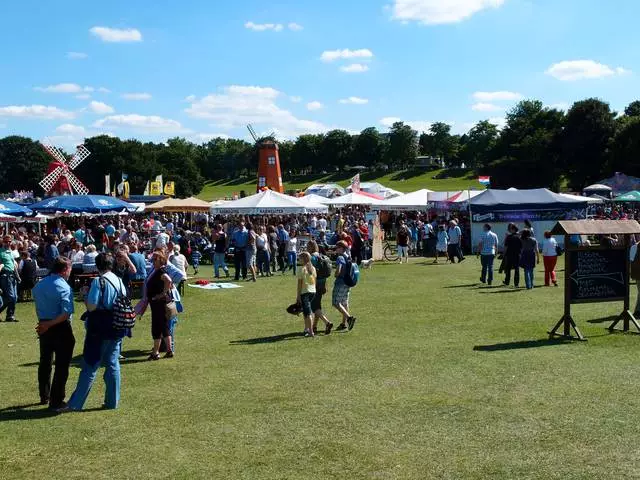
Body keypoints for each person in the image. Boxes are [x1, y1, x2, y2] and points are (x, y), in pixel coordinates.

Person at [65, 253, 129, 411]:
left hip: (99, 328)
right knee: (113, 364)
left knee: (90, 365)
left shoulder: (98, 281)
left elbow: (92, 307)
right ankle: (112, 402)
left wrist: (85, 295)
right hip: (117, 326)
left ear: (97, 265)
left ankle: (75, 404)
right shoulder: (119, 281)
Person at [32, 257, 75, 410]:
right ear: (64, 270)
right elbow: (65, 313)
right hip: (59, 327)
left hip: (43, 325)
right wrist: (49, 324)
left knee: (45, 362)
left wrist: (45, 325)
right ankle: (56, 400)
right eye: (69, 269)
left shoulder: (39, 285)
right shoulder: (64, 287)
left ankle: (44, 395)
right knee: (62, 365)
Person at [146, 250, 175, 360]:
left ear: (160, 260)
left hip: (158, 303)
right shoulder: (158, 270)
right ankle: (169, 350)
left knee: (157, 327)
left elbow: (168, 280)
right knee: (164, 326)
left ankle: (156, 352)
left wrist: (162, 293)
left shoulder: (160, 271)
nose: (152, 261)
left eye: (154, 259)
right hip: (159, 303)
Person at [307, 240, 333, 335]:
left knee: (314, 307)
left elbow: (311, 273)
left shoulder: (312, 258)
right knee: (318, 305)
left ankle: (327, 322)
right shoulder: (321, 255)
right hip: (322, 283)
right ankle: (314, 326)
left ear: (310, 247)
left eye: (307, 246)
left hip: (315, 284)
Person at [332, 241, 356, 331]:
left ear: (341, 248)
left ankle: (349, 318)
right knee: (344, 302)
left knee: (336, 303)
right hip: (348, 282)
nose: (336, 249)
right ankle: (343, 323)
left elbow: (339, 270)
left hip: (340, 282)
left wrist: (336, 274)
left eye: (337, 247)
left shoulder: (340, 257)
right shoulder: (348, 256)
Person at [296, 252, 317, 337]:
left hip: (305, 292)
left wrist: (298, 296)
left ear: (304, 259)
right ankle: (306, 328)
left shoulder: (302, 269)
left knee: (308, 313)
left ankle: (311, 332)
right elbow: (314, 280)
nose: (298, 260)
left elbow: (300, 284)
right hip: (312, 291)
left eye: (300, 258)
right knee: (306, 311)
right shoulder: (313, 268)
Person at [0, 235, 19, 322]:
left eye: (9, 241)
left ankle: (10, 315)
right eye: (6, 241)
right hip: (5, 276)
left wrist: (18, 276)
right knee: (10, 297)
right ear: (3, 242)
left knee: (15, 297)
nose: (8, 243)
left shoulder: (11, 252)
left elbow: (14, 266)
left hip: (12, 276)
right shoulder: (1, 252)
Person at [503, 223, 522, 288]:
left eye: (510, 229)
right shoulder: (519, 237)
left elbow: (506, 246)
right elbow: (522, 247)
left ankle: (507, 282)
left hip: (509, 255)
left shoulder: (509, 237)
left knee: (508, 269)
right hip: (517, 255)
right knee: (517, 270)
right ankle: (516, 283)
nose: (510, 230)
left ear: (513, 229)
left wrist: (504, 254)